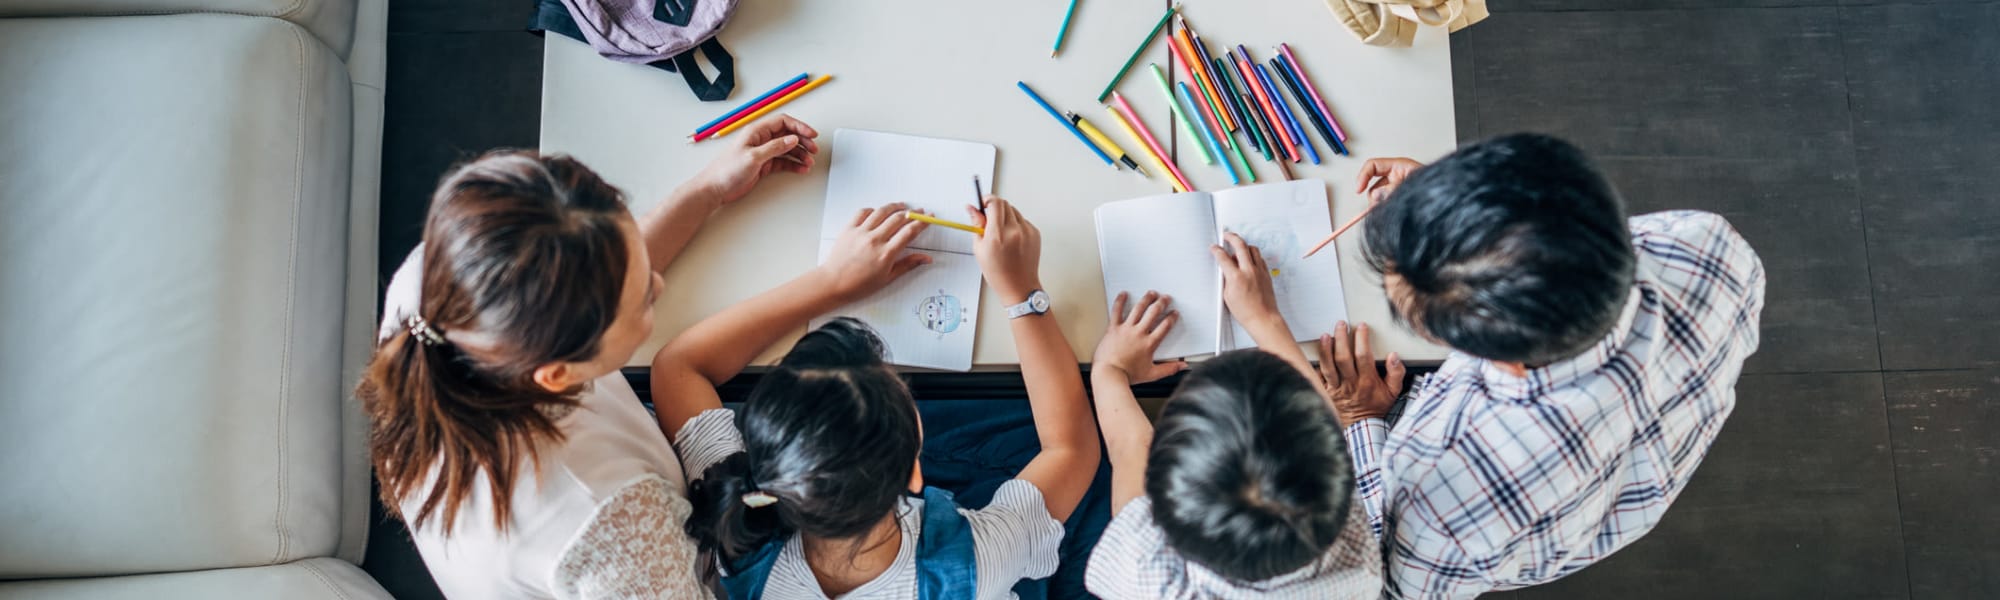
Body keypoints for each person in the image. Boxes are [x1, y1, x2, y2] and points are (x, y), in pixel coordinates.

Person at [356, 115, 822, 599]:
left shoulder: (439, 285)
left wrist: (707, 190)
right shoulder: (603, 522)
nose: (656, 286)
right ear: (558, 373)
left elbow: (590, 267)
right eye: (641, 301)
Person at [1325, 134, 1767, 598]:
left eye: (1420, 317)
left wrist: (1362, 421)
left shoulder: (1446, 479)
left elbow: (1386, 589)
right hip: (1652, 452)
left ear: (1499, 358)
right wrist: (1458, 216)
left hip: (1530, 517)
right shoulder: (1704, 243)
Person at [654, 198, 1101, 599]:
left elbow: (678, 367)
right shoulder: (973, 565)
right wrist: (1022, 291)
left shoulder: (738, 536)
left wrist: (831, 281)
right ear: (914, 473)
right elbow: (1072, 447)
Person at [1082, 233, 1383, 599]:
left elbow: (1130, 446)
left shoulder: (1146, 575)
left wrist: (1109, 366)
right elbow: (1321, 422)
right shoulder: (1357, 556)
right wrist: (1264, 318)